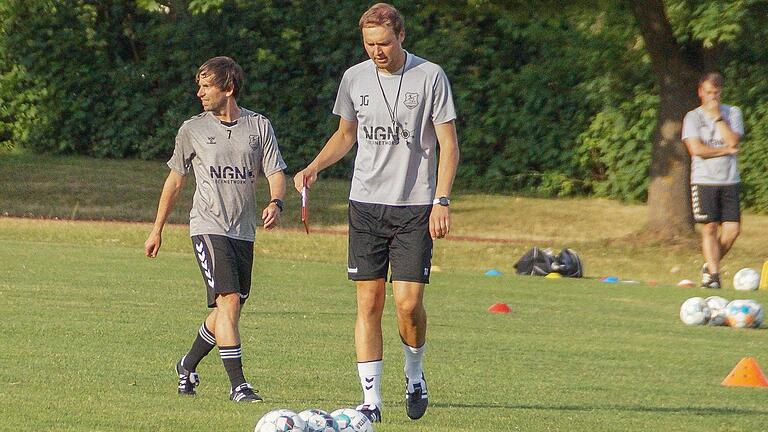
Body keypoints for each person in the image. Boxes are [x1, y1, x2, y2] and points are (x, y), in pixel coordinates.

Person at [293, 3, 459, 422]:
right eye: (369, 44)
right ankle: (371, 402)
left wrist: (441, 199)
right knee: (368, 302)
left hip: (415, 206)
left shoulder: (430, 76)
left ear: (401, 36)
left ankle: (415, 374)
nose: (377, 51)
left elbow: (448, 145)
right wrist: (314, 167)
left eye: (383, 43)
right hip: (365, 204)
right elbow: (346, 134)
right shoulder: (354, 78)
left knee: (407, 305)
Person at [144, 56, 287, 402]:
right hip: (207, 226)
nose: (199, 93)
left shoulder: (259, 127)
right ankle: (238, 385)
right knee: (228, 302)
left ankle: (187, 365)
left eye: (206, 86)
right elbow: (175, 181)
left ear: (229, 88)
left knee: (228, 309)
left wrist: (276, 202)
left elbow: (276, 172)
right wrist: (157, 229)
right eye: (200, 85)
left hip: (243, 231)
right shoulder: (192, 129)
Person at [682, 72, 744, 289]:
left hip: (729, 180)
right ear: (700, 92)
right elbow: (696, 149)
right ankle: (714, 277)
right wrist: (725, 150)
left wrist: (718, 118)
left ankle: (710, 266)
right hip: (704, 179)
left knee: (732, 230)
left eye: (716, 93)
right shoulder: (693, 117)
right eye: (708, 93)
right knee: (710, 227)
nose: (712, 98)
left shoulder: (732, 113)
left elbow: (734, 139)